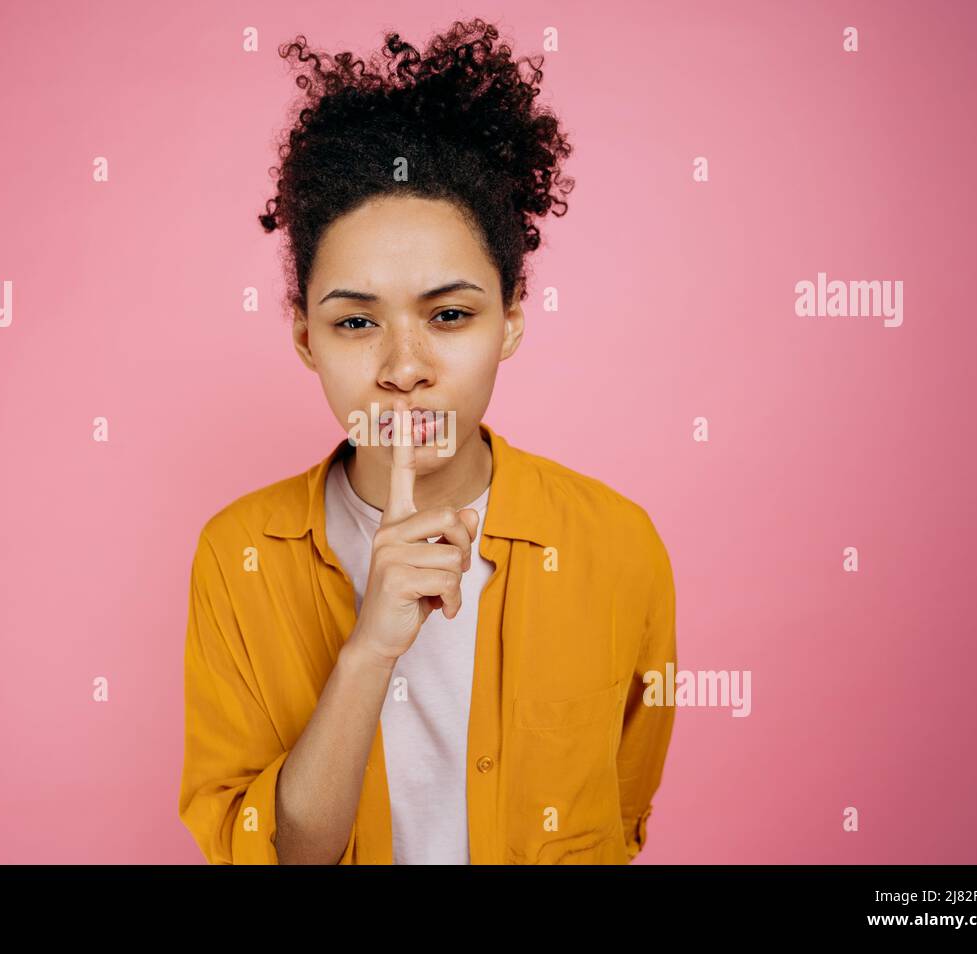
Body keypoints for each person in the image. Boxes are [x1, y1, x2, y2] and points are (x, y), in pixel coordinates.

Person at [178, 17, 676, 865]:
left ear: (511, 320)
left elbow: (619, 814)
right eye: (356, 321)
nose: (404, 367)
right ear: (305, 337)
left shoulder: (617, 544)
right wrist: (371, 645)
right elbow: (278, 855)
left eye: (450, 315)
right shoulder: (238, 555)